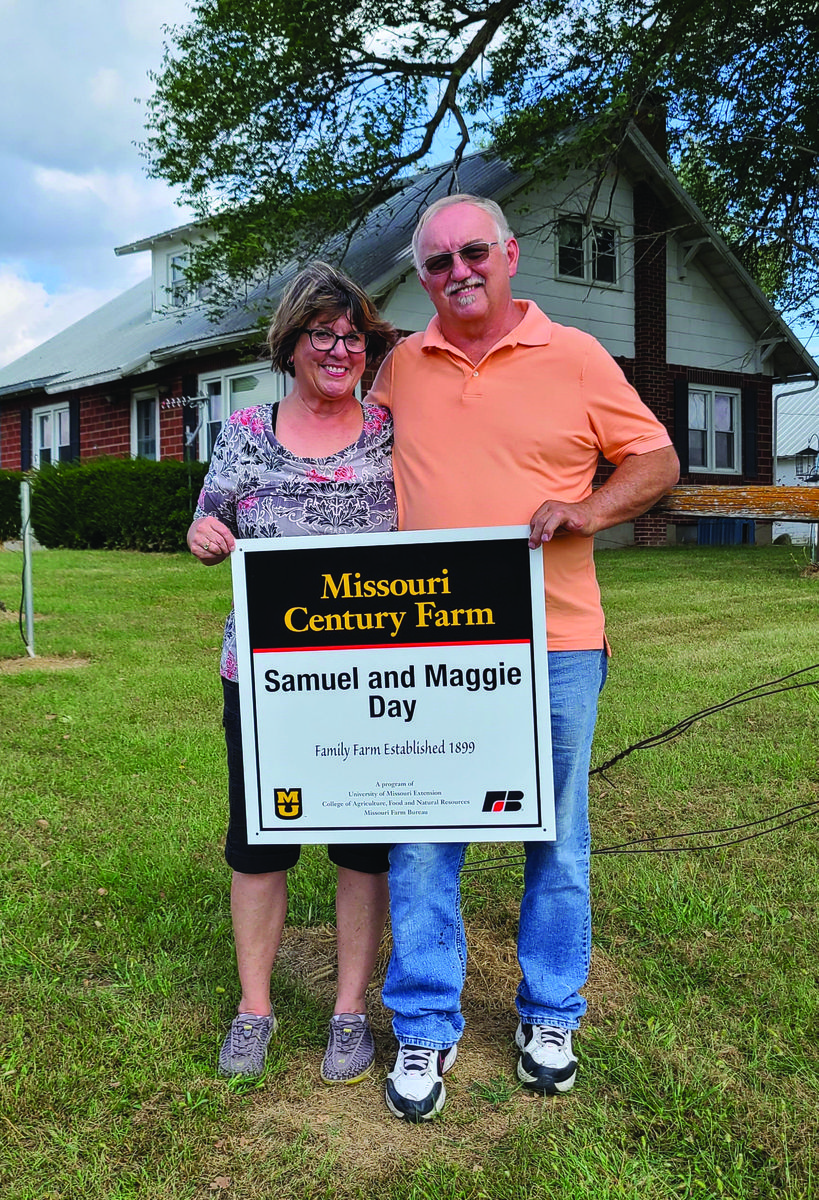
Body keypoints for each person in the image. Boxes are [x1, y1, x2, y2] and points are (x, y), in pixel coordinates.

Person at [366, 194, 680, 1121]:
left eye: (472, 252)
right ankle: (425, 1021)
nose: (456, 271)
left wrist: (587, 510)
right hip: (423, 645)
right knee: (422, 837)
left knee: (557, 838)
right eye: (435, 262)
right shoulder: (400, 367)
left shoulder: (576, 355)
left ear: (507, 255)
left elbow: (656, 460)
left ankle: (550, 1014)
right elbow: (344, 462)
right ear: (421, 277)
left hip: (557, 641)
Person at [188, 261, 398, 1085]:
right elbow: (211, 515)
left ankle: (349, 1012)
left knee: (362, 845)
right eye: (323, 332)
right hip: (265, 676)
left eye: (353, 335)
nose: (339, 348)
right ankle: (255, 1009)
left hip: (371, 678)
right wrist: (206, 531)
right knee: (260, 843)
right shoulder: (246, 429)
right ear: (291, 342)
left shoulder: (390, 426)